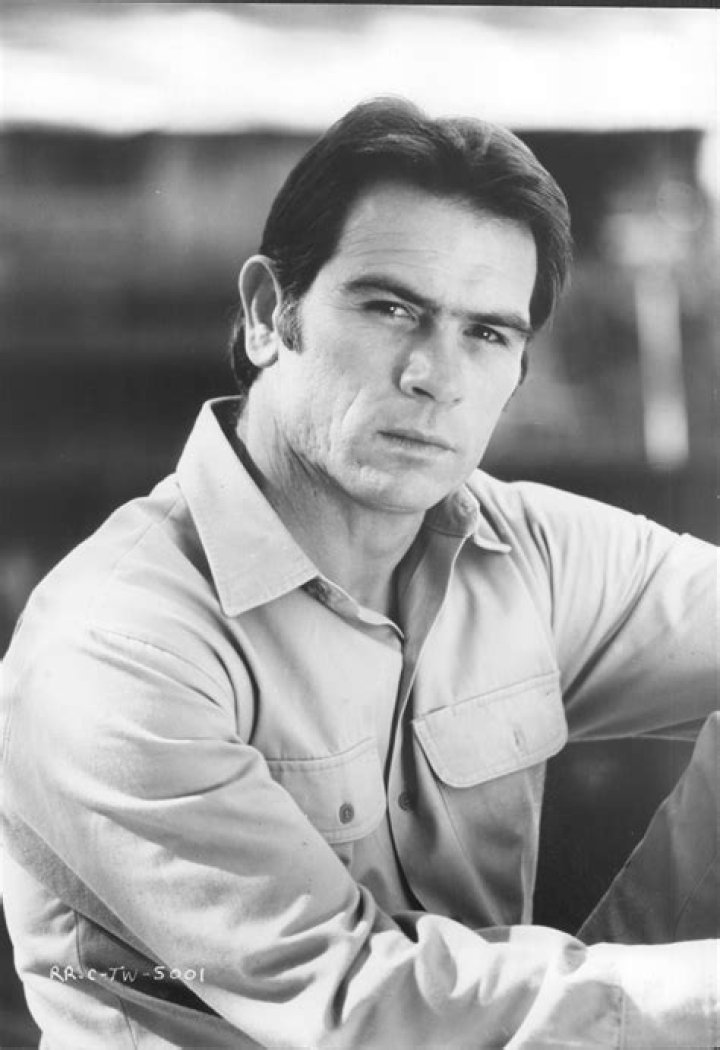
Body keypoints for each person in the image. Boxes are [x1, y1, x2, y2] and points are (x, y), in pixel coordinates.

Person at [1, 97, 717, 1048]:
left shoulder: (527, 554)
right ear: (269, 314)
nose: (436, 375)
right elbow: (356, 1005)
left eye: (487, 334)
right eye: (391, 309)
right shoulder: (115, 645)